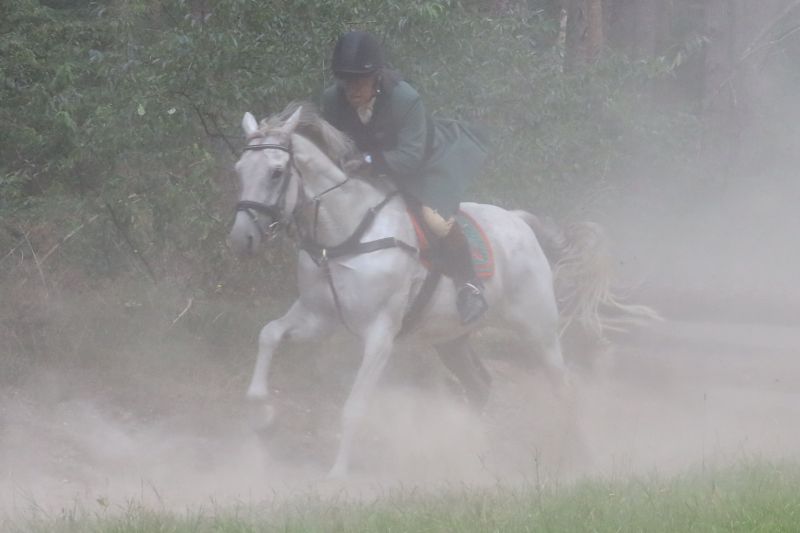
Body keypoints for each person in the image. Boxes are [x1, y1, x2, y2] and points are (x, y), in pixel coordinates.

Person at [320, 31, 489, 325]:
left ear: (376, 76)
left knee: (436, 220)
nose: (352, 88)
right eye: (346, 80)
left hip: (429, 165)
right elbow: (332, 146)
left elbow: (411, 158)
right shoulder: (332, 100)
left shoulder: (405, 98)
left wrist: (369, 161)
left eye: (360, 80)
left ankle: (469, 286)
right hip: (375, 167)